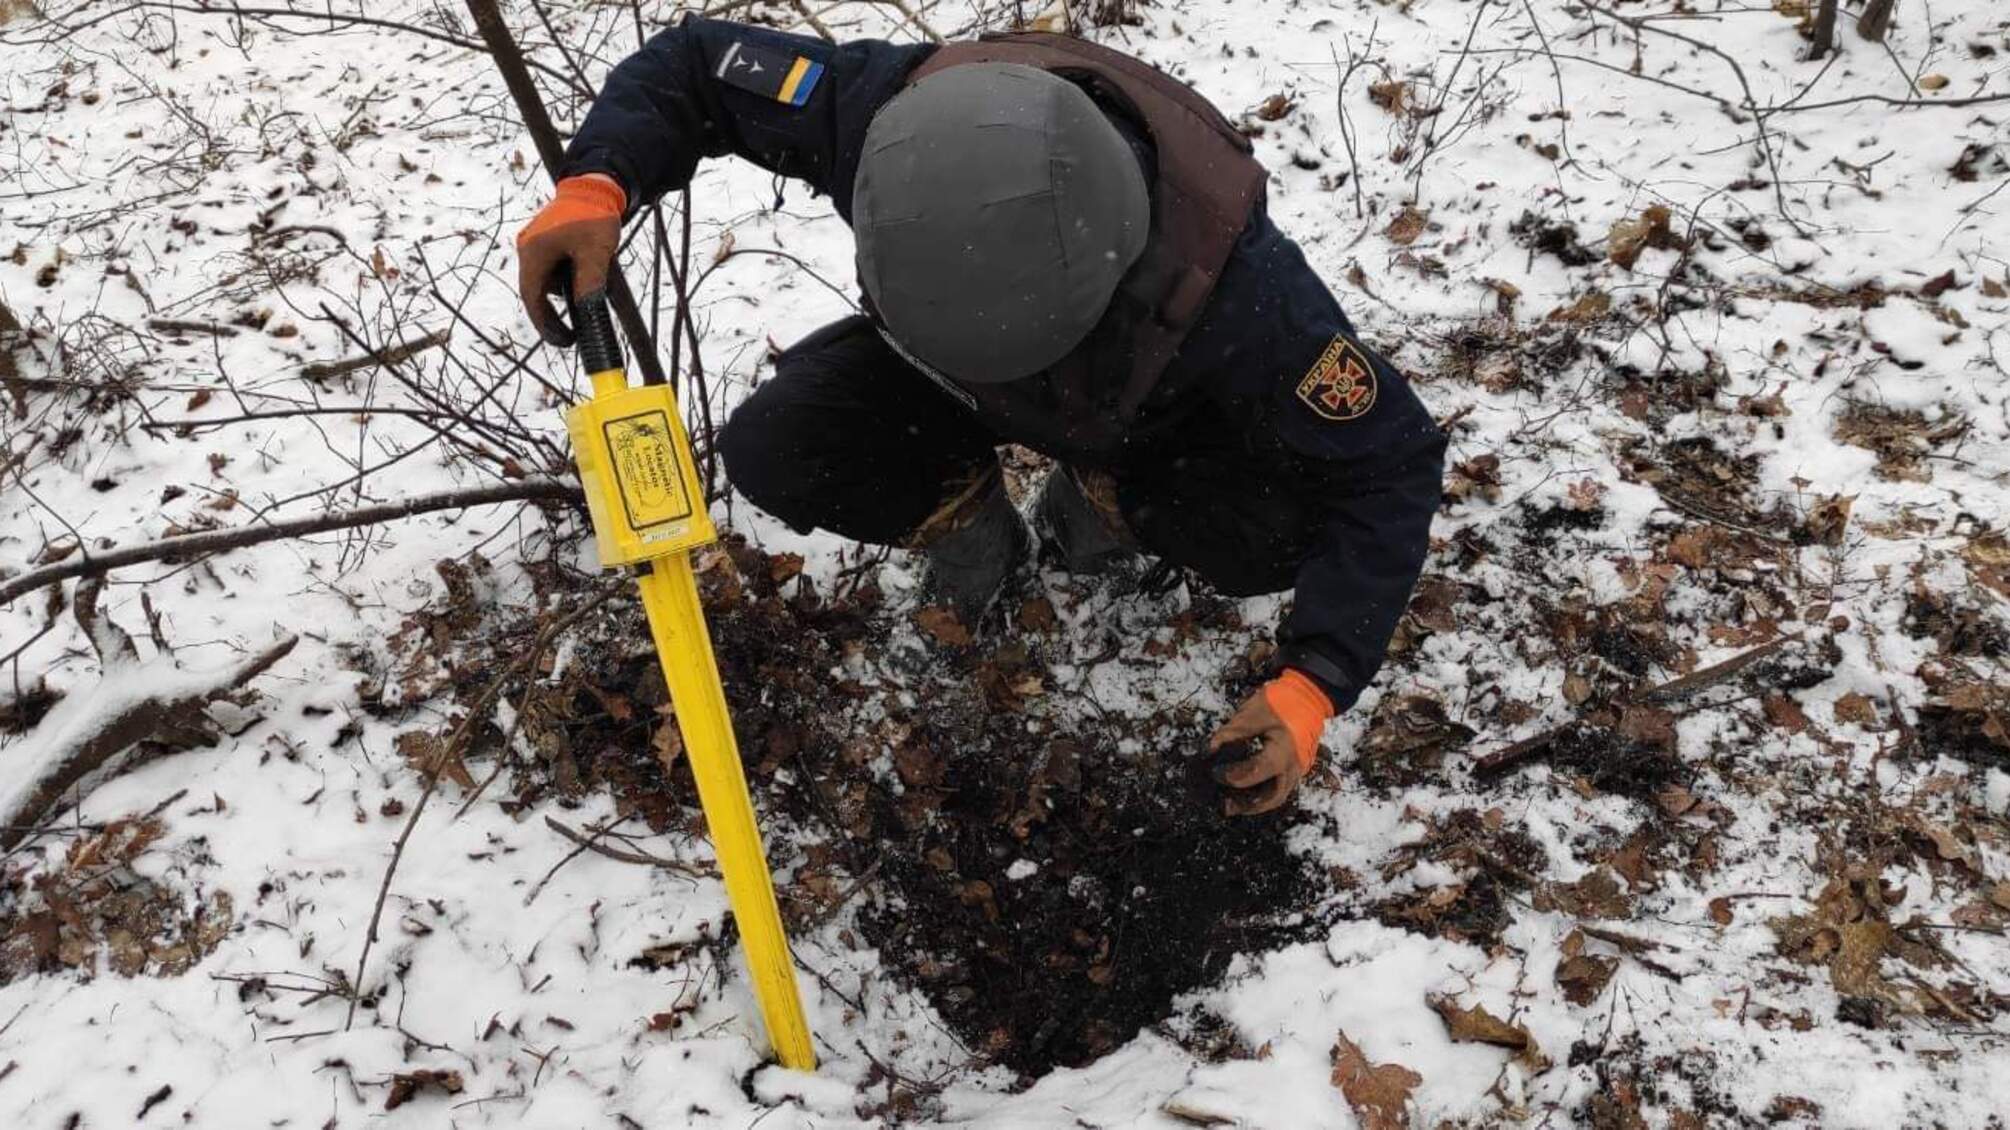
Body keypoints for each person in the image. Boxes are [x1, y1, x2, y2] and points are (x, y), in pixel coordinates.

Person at [515, 17, 1446, 816]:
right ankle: (980, 544)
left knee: (1270, 528)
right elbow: (695, 66)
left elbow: (1391, 465)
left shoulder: (1240, 293)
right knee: (778, 444)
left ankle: (1099, 516)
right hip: (940, 373)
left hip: (1138, 421)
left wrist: (1313, 685)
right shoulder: (883, 118)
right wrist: (597, 184)